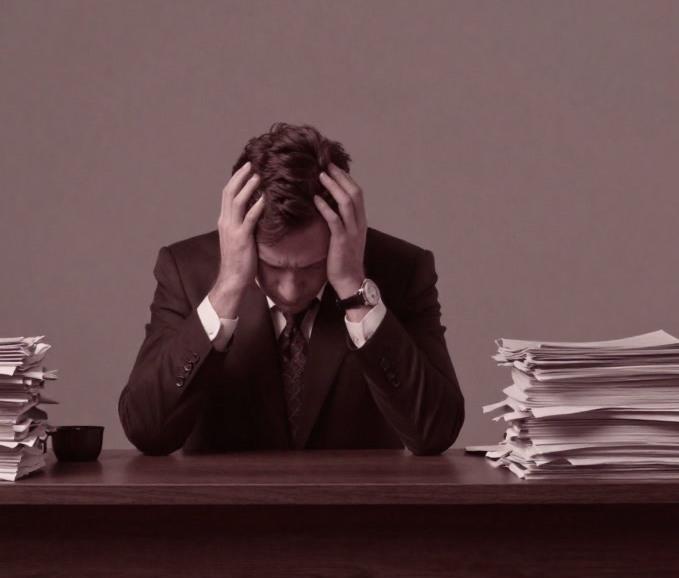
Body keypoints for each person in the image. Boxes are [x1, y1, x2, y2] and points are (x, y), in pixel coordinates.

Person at [118, 123, 464, 455]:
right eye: (272, 265)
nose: (291, 288)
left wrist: (354, 289)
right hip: (223, 510)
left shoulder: (402, 270)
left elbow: (433, 434)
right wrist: (227, 287)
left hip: (361, 509)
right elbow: (148, 432)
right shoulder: (186, 270)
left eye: (313, 265)